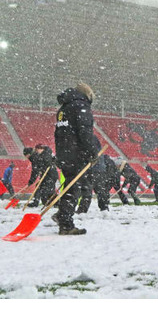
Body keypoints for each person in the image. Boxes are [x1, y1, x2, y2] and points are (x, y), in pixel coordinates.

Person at [53, 83, 100, 235]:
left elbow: (59, 133)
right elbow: (85, 132)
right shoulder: (81, 107)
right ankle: (65, 222)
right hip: (76, 153)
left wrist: (60, 154)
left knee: (69, 185)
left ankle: (62, 215)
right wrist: (93, 152)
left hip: (64, 152)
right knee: (73, 188)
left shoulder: (63, 109)